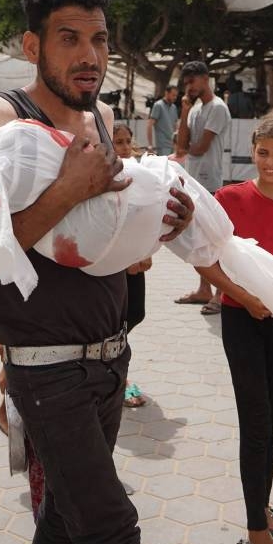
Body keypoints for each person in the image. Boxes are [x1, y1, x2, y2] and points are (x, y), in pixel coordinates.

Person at [0, 0, 193, 544]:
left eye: (100, 39)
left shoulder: (99, 119)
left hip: (113, 357)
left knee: (61, 523)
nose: (90, 57)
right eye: (69, 39)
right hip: (48, 369)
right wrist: (65, 191)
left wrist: (158, 225)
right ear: (32, 47)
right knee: (113, 540)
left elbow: (105, 247)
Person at [188, 110, 273, 544]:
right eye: (263, 152)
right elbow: (203, 260)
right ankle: (256, 531)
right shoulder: (229, 199)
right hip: (242, 319)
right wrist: (245, 296)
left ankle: (262, 505)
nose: (269, 162)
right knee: (256, 418)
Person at [174, 60, 231, 314]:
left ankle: (221, 294)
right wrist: (185, 112)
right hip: (195, 180)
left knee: (215, 238)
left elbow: (197, 147)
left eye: (192, 81)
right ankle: (204, 289)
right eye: (186, 83)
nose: (189, 87)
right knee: (200, 238)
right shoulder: (195, 109)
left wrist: (186, 143)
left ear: (205, 79)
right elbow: (181, 146)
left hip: (212, 181)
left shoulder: (218, 108)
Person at [112, 122, 150, 407]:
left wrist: (146, 250)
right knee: (113, 322)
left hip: (135, 261)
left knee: (134, 313)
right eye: (118, 142)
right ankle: (118, 380)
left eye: (127, 141)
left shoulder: (137, 175)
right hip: (109, 265)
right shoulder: (98, 178)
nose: (125, 148)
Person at [146, 85, 178, 155]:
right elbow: (150, 125)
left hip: (173, 146)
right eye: (173, 95)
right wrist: (150, 144)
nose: (175, 97)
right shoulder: (158, 105)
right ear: (166, 93)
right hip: (162, 145)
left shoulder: (174, 107)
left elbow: (175, 126)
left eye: (176, 96)